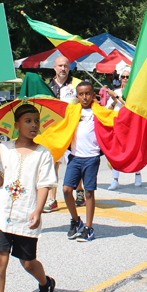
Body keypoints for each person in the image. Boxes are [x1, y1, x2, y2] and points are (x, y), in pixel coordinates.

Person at [0, 104, 57, 292]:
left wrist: (38, 210)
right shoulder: (3, 149)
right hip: (1, 215)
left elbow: (44, 185)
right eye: (27, 121)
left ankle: (45, 284)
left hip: (27, 215)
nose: (33, 125)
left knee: (27, 262)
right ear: (16, 125)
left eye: (36, 121)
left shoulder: (44, 154)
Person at [63, 82, 102, 242]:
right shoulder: (72, 111)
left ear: (93, 95)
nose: (84, 97)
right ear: (76, 96)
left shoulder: (99, 112)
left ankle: (89, 227)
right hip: (75, 157)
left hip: (91, 157)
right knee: (66, 190)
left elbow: (116, 120)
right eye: (81, 94)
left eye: (88, 94)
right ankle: (75, 220)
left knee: (88, 192)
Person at [44, 56, 83, 213]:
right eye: (60, 66)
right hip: (53, 131)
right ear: (54, 68)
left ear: (69, 68)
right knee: (52, 164)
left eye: (66, 66)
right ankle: (52, 199)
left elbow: (84, 103)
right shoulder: (48, 87)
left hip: (72, 130)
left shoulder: (76, 84)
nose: (63, 68)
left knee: (74, 163)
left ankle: (79, 191)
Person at [105, 68, 142, 189]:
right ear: (120, 78)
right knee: (116, 152)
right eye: (123, 77)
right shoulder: (115, 91)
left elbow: (131, 107)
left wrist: (118, 97)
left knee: (134, 150)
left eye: (127, 77)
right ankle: (115, 179)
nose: (125, 79)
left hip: (131, 125)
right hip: (118, 124)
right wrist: (114, 101)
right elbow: (107, 110)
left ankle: (137, 174)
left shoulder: (135, 92)